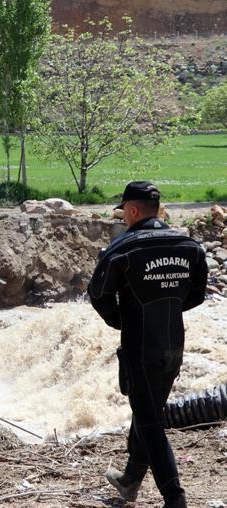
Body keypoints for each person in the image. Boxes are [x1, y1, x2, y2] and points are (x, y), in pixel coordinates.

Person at [88, 182, 207, 508]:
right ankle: (129, 480)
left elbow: (98, 296)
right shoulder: (189, 246)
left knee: (150, 421)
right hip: (173, 346)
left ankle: (175, 498)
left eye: (124, 211)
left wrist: (123, 320)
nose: (123, 217)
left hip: (141, 349)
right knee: (147, 411)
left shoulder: (123, 249)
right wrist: (165, 309)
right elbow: (196, 294)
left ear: (134, 210)